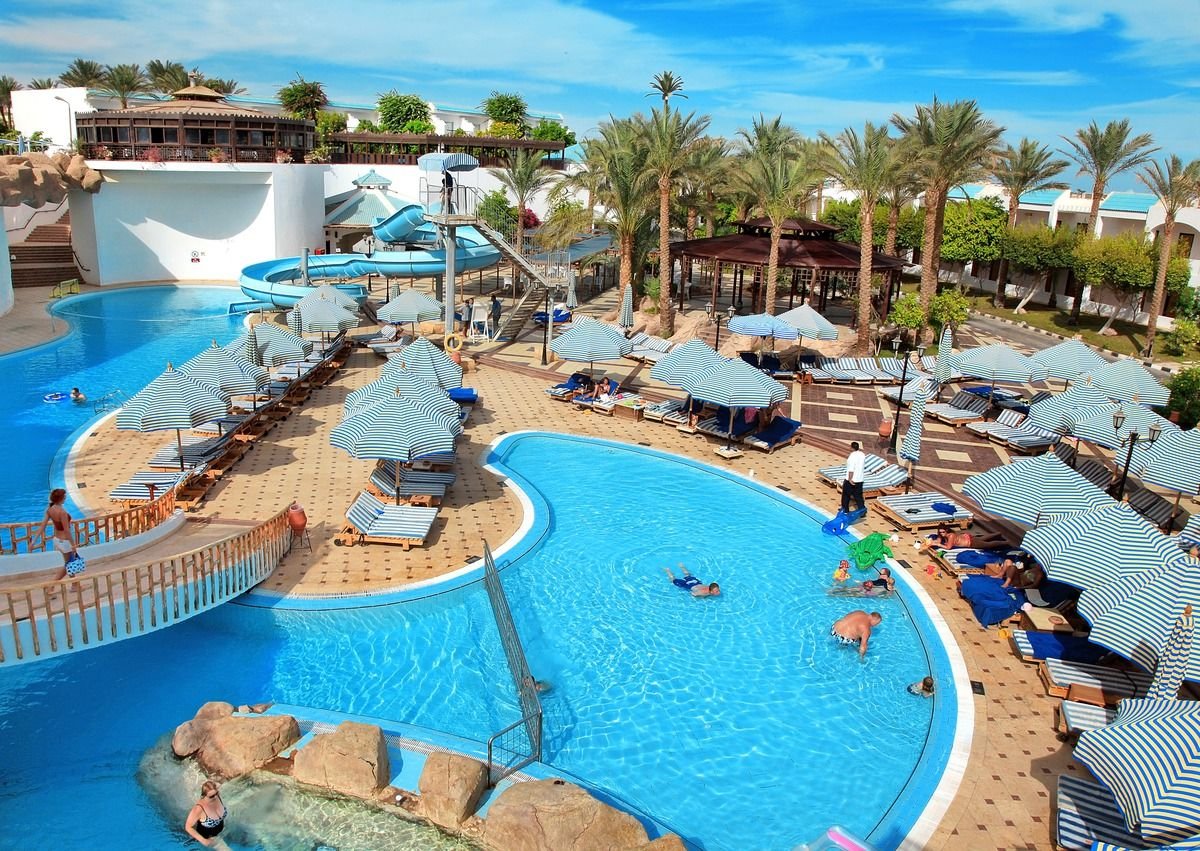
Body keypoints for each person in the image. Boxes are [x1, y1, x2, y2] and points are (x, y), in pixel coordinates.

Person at [39, 488, 82, 581]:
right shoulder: (62, 512)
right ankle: (51, 585)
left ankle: (74, 584)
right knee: (69, 564)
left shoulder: (50, 509)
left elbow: (42, 526)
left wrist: (34, 541)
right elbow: (67, 530)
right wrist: (73, 545)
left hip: (57, 540)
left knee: (69, 562)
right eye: (64, 496)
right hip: (65, 541)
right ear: (60, 498)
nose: (65, 498)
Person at [185, 780, 227, 847]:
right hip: (208, 837)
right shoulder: (199, 808)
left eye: (216, 793)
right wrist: (203, 840)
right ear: (204, 796)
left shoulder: (217, 796)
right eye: (211, 796)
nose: (215, 797)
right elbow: (188, 827)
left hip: (221, 830)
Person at [841, 441, 866, 515]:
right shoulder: (862, 454)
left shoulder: (852, 457)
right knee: (858, 496)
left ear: (851, 448)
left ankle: (845, 510)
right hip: (860, 479)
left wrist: (850, 479)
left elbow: (851, 469)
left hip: (852, 480)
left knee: (846, 495)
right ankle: (862, 511)